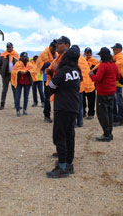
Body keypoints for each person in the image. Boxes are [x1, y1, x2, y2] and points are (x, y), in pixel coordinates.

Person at [46, 46, 81, 178]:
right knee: (69, 135)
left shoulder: (64, 70)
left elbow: (51, 86)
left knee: (59, 136)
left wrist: (49, 75)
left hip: (62, 107)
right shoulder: (77, 71)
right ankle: (68, 163)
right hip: (73, 107)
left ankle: (62, 166)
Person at [90, 47, 120, 142]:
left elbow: (98, 79)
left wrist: (91, 75)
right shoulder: (113, 64)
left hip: (102, 93)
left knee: (102, 114)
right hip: (111, 92)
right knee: (109, 112)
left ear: (102, 56)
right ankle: (109, 132)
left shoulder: (103, 65)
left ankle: (106, 134)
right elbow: (118, 76)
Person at [34, 41, 56, 122]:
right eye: (54, 49)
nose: (55, 50)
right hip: (47, 79)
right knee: (47, 98)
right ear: (50, 47)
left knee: (56, 98)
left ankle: (56, 116)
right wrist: (51, 64)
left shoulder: (56, 54)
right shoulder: (43, 54)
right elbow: (40, 66)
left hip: (56, 78)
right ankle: (46, 116)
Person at [11, 52, 36, 117]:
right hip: (19, 82)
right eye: (23, 57)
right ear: (20, 57)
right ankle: (18, 110)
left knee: (26, 97)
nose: (24, 58)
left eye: (25, 57)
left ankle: (24, 109)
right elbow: (13, 71)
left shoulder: (29, 63)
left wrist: (28, 72)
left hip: (27, 83)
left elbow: (33, 71)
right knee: (17, 96)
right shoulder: (17, 63)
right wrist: (19, 72)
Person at [0, 42, 20, 110]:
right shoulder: (3, 55)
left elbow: (19, 64)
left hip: (13, 75)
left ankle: (16, 104)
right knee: (4, 90)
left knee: (15, 90)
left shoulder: (16, 55)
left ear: (12, 47)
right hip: (6, 75)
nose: (8, 48)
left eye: (9, 47)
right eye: (7, 47)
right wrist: (2, 73)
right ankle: (2, 104)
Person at [111, 43, 123, 127]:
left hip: (118, 82)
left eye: (115, 49)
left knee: (119, 101)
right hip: (115, 82)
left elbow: (117, 64)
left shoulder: (121, 57)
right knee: (114, 101)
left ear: (119, 49)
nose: (113, 50)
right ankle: (116, 118)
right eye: (113, 49)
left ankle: (120, 119)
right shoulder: (115, 57)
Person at [83, 47, 99, 119]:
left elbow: (97, 72)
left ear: (91, 53)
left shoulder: (95, 61)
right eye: (87, 52)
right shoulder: (82, 61)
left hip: (92, 84)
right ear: (85, 53)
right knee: (82, 100)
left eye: (90, 52)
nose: (88, 54)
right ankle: (83, 112)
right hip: (83, 84)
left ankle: (91, 113)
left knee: (91, 100)